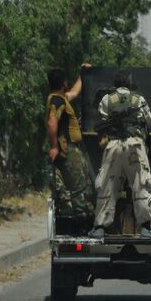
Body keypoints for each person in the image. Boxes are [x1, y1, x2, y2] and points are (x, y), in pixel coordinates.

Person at [90, 70, 151, 238]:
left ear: (115, 85)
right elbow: (150, 121)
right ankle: (145, 227)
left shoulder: (107, 99)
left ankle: (100, 227)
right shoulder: (139, 100)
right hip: (135, 146)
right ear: (130, 84)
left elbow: (101, 120)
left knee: (107, 184)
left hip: (113, 145)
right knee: (140, 184)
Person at [46, 67, 95, 232]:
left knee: (83, 186)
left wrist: (82, 74)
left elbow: (74, 92)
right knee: (79, 189)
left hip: (73, 149)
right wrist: (54, 147)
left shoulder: (59, 98)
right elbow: (52, 122)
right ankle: (82, 226)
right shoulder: (57, 101)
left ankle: (83, 221)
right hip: (69, 149)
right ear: (63, 83)